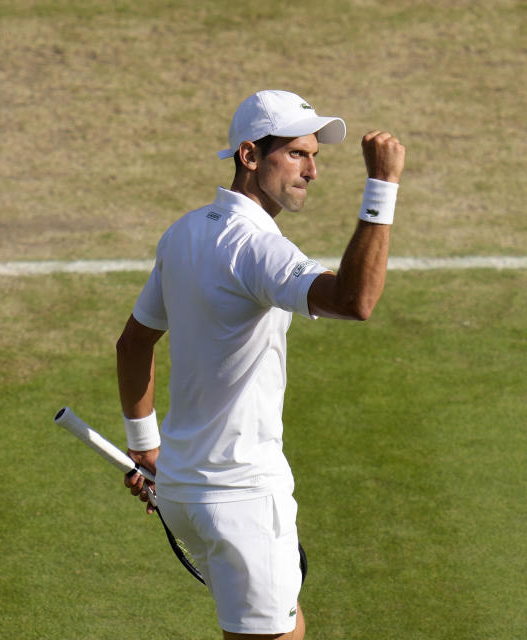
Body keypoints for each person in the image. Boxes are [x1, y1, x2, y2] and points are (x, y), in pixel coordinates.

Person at [116, 89, 405, 640]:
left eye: (314, 156)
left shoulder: (182, 234)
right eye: (297, 154)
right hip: (243, 501)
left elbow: (133, 344)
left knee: (286, 623)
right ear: (249, 156)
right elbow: (355, 300)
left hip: (184, 489)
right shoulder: (256, 248)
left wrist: (146, 446)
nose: (313, 171)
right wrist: (382, 188)